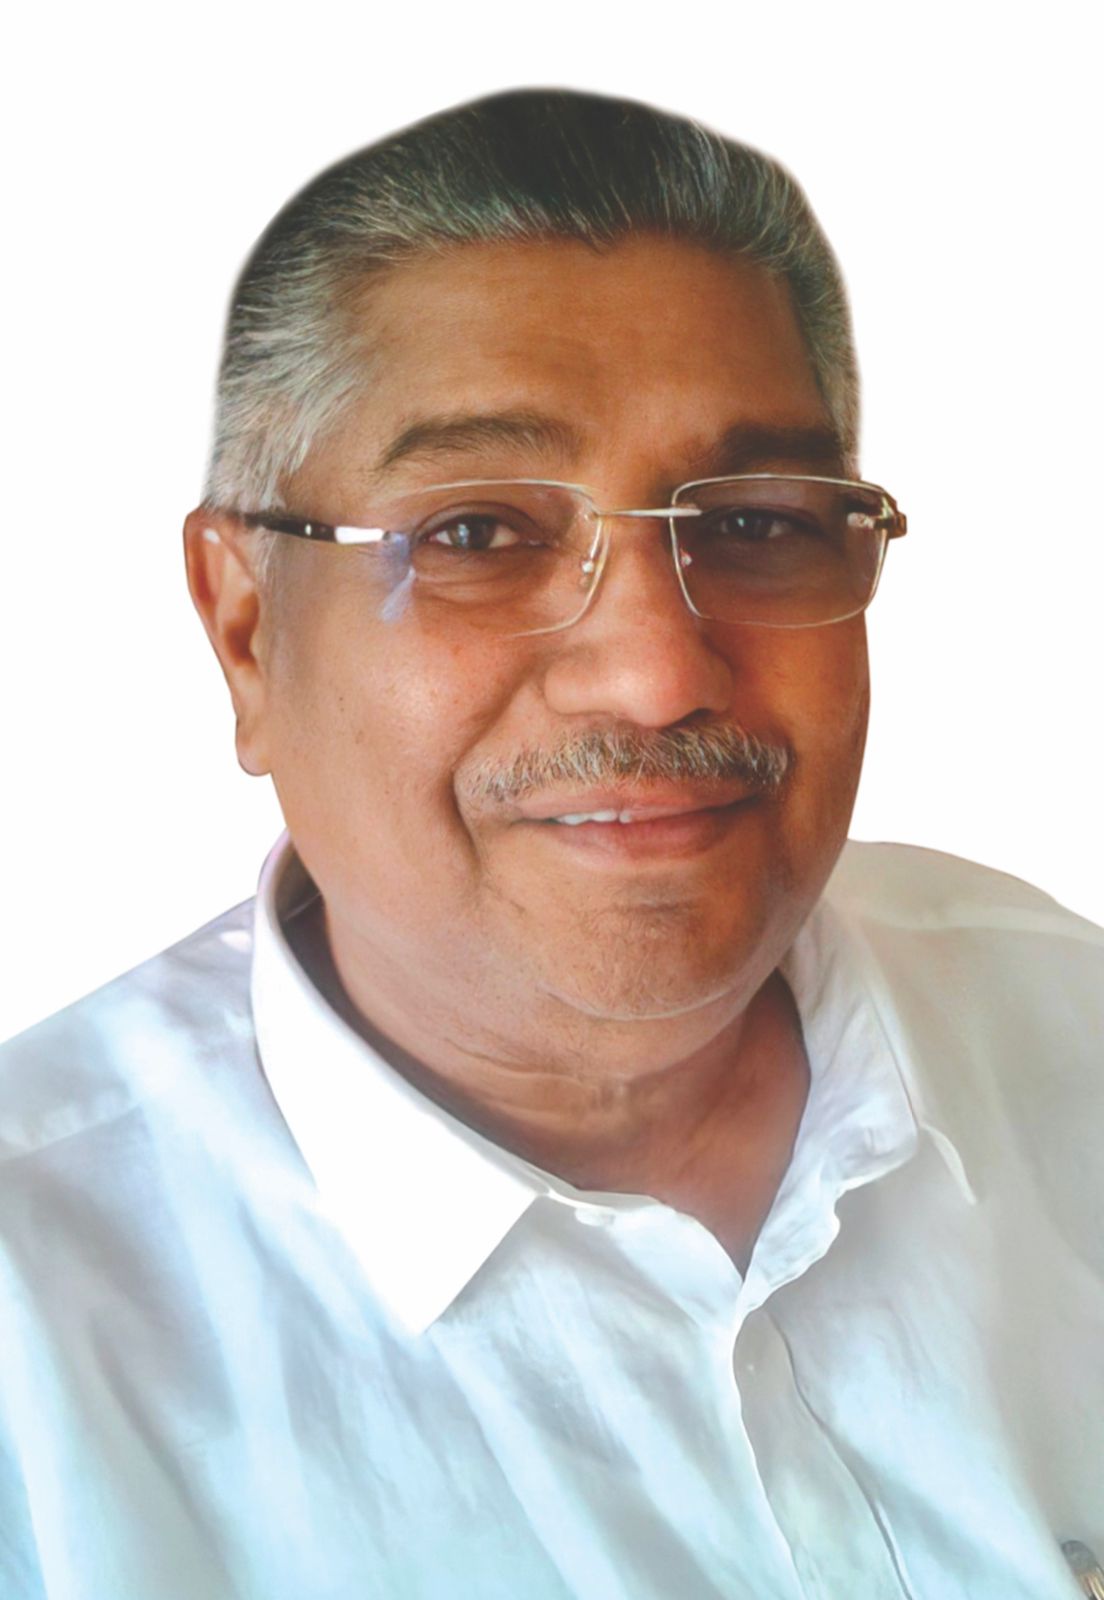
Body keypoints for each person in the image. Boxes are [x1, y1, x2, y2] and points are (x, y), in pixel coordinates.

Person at [1, 88, 1101, 1600]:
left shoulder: (1067, 1022)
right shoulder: (34, 1360)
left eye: (758, 522)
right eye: (477, 534)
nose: (655, 673)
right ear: (247, 629)